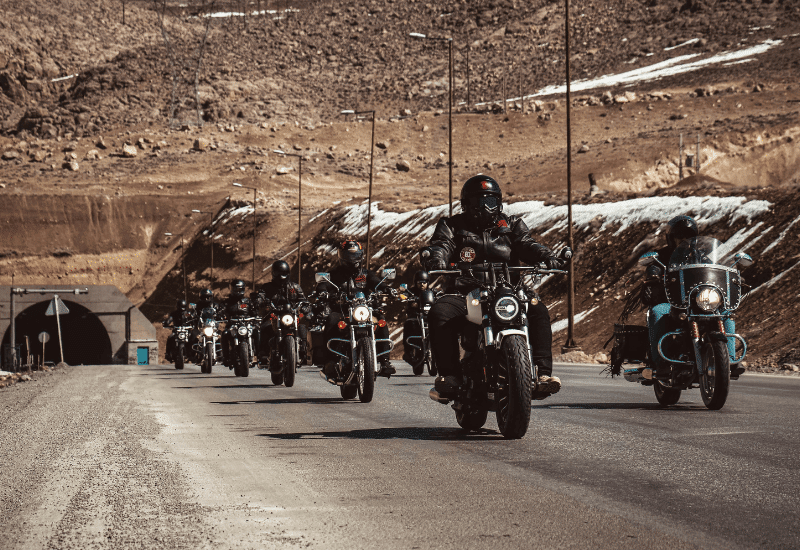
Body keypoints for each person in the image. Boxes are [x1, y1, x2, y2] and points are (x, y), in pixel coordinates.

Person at [421, 175, 565, 397]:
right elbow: (442, 244)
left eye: (491, 201)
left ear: (499, 203)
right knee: (439, 312)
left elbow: (527, 244)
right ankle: (449, 375)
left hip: (507, 290)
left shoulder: (511, 225)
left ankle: (543, 374)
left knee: (537, 309)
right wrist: (437, 258)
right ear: (467, 204)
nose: (486, 207)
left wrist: (547, 256)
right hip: (465, 292)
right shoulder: (452, 225)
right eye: (480, 202)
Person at [315, 240, 395, 378]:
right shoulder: (334, 274)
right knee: (332, 320)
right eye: (349, 255)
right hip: (342, 310)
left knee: (381, 322)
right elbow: (323, 284)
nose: (353, 259)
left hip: (364, 309)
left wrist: (386, 289)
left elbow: (376, 282)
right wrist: (323, 292)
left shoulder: (365, 274)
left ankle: (385, 361)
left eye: (356, 255)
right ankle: (330, 361)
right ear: (342, 256)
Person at [254, 260, 309, 366]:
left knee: (302, 326)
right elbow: (261, 295)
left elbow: (303, 300)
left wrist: (306, 307)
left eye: (283, 274)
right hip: (273, 315)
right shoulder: (267, 287)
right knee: (265, 326)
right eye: (278, 273)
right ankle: (263, 354)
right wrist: (259, 300)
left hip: (291, 315)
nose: (280, 276)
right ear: (273, 273)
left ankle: (304, 351)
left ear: (288, 273)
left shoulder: (295, 287)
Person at [401, 270, 433, 365]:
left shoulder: (431, 292)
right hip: (414, 316)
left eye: (424, 282)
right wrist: (404, 296)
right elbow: (404, 295)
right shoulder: (411, 291)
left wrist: (440, 295)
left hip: (429, 316)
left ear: (428, 283)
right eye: (419, 283)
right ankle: (408, 353)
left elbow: (438, 294)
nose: (422, 285)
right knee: (408, 325)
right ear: (416, 283)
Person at [221, 279, 254, 367]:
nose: (238, 292)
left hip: (246, 325)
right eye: (236, 289)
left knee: (257, 332)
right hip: (232, 325)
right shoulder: (227, 302)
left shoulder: (247, 301)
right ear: (232, 289)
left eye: (240, 289)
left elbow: (254, 312)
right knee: (224, 334)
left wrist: (256, 316)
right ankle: (226, 357)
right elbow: (221, 311)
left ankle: (259, 355)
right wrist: (220, 315)